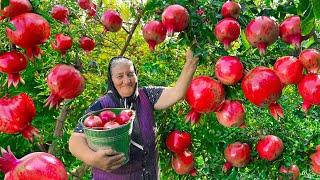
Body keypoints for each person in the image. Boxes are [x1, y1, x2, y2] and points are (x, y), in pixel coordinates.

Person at [68, 48, 199, 180]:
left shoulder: (147, 96)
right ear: (111, 80)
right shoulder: (102, 106)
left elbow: (177, 93)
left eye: (130, 74)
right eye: (120, 76)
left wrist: (191, 62)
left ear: (136, 75)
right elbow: (75, 140)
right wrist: (93, 159)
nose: (126, 80)